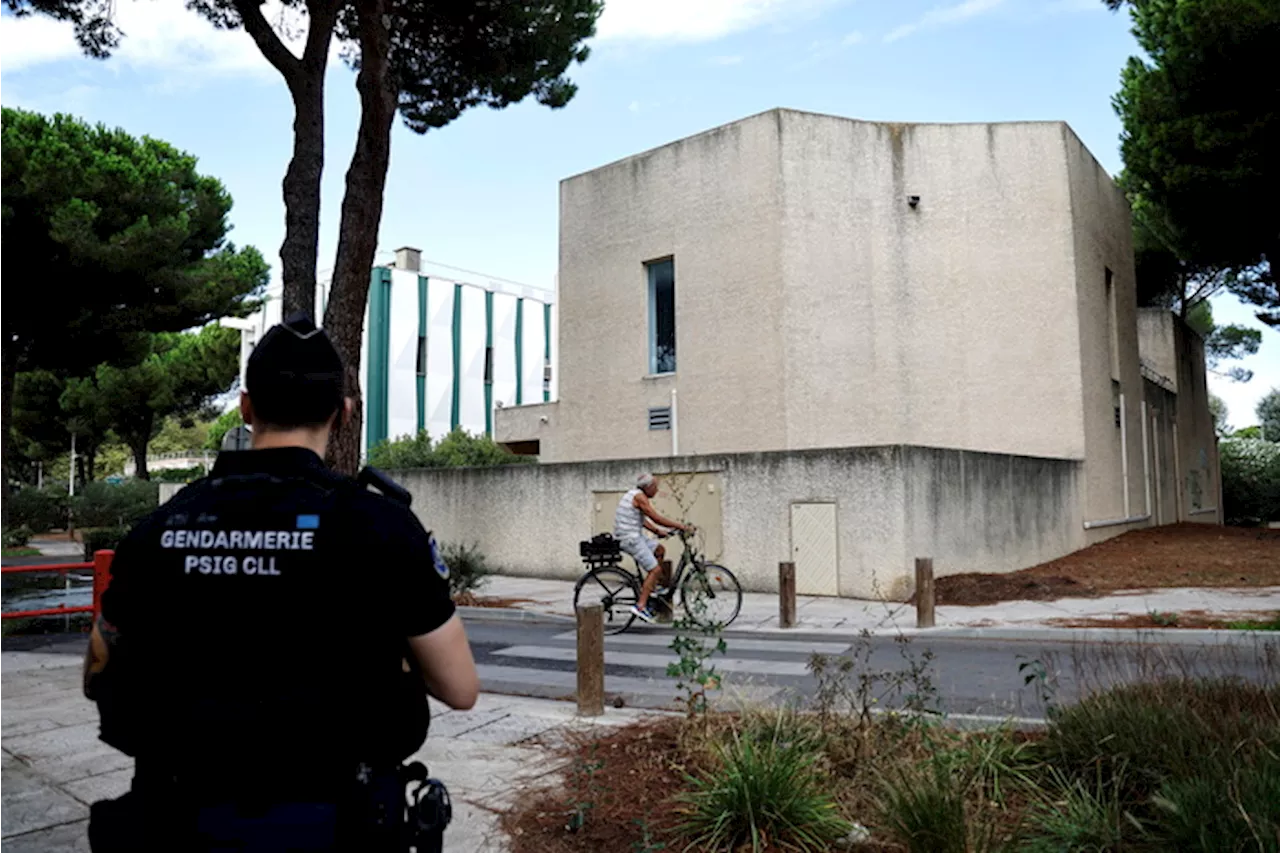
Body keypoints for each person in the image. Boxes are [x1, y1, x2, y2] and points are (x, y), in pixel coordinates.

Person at [82, 312, 479, 852]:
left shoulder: (159, 528)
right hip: (337, 824)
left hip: (178, 821)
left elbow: (99, 674)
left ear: (246, 407)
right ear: (342, 413)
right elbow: (459, 688)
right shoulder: (380, 527)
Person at [614, 473, 693, 623]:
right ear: (648, 487)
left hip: (634, 535)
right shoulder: (639, 497)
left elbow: (642, 520)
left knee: (659, 550)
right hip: (629, 539)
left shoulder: (634, 495)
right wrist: (681, 526)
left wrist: (658, 532)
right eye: (655, 487)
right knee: (655, 570)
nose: (657, 491)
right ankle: (641, 606)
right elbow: (655, 517)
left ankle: (652, 586)